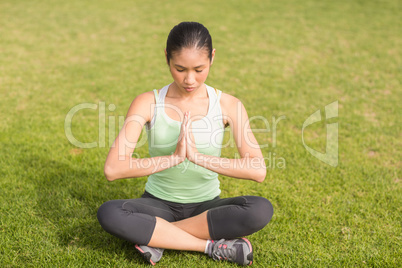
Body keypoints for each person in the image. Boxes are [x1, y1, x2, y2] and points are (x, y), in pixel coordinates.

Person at [97, 21, 274, 266]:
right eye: (180, 69)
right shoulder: (147, 102)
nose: (189, 79)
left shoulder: (229, 105)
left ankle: (159, 236)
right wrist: (174, 158)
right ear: (167, 58)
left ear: (212, 57)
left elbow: (258, 170)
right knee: (110, 213)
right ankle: (209, 246)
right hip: (158, 203)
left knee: (260, 208)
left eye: (199, 69)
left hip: (207, 206)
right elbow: (113, 169)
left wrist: (198, 157)